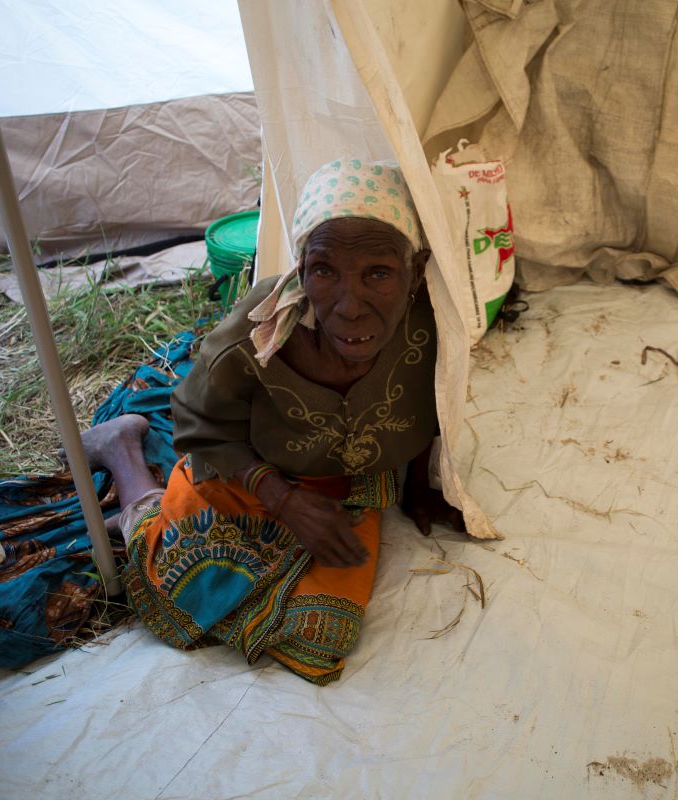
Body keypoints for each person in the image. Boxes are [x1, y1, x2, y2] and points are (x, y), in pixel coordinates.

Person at [80, 158, 464, 685]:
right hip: (252, 477)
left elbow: (430, 406)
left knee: (319, 637)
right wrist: (283, 498)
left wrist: (418, 487)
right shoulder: (264, 328)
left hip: (346, 485)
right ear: (302, 267)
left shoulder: (430, 322)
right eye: (325, 271)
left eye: (378, 273)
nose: (350, 306)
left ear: (415, 269)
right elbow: (195, 417)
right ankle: (124, 454)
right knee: (182, 587)